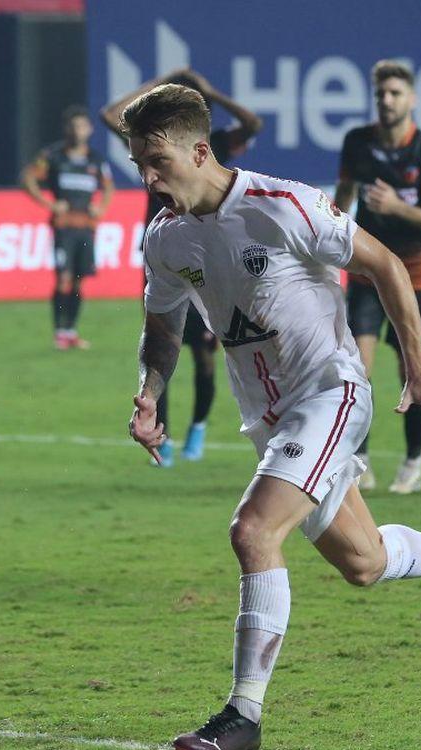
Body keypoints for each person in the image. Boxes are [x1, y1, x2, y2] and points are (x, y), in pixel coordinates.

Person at [123, 84, 421, 750]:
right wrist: (152, 389)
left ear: (200, 149)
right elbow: (162, 324)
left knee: (252, 530)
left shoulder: (284, 207)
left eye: (158, 162)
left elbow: (386, 266)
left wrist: (418, 368)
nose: (148, 179)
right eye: (139, 165)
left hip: (330, 393)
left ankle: (243, 715)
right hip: (271, 420)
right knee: (363, 563)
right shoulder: (165, 238)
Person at [102, 68, 262, 466]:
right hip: (165, 255)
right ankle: (164, 432)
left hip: (211, 255)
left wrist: (211, 92)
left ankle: (198, 428)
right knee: (160, 343)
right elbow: (113, 116)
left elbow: (253, 123)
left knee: (205, 357)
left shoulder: (213, 142)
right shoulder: (154, 143)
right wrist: (155, 89)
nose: (151, 174)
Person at [334, 60, 421, 494]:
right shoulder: (356, 143)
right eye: (381, 94)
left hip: (415, 273)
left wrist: (395, 206)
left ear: (412, 99)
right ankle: (359, 458)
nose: (387, 100)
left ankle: (413, 462)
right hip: (368, 270)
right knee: (357, 367)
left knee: (413, 367)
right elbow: (342, 201)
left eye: (395, 93)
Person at [22, 105, 114, 350]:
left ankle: (71, 331)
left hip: (86, 227)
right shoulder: (53, 156)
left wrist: (101, 207)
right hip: (64, 228)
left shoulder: (95, 159)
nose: (78, 131)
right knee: (63, 277)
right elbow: (28, 177)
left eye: (82, 126)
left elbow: (108, 187)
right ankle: (59, 332)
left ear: (90, 130)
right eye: (74, 127)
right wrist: (49, 203)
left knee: (78, 280)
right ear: (67, 130)